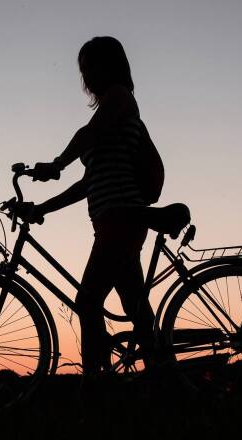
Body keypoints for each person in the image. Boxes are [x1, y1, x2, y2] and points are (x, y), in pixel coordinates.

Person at [23, 36, 164, 376]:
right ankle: (165, 381)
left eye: (91, 65)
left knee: (88, 302)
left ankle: (95, 388)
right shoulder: (109, 113)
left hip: (121, 217)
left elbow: (88, 134)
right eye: (83, 68)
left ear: (111, 66)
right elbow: (87, 184)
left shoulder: (119, 99)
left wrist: (57, 163)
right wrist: (43, 208)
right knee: (134, 304)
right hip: (113, 220)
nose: (86, 74)